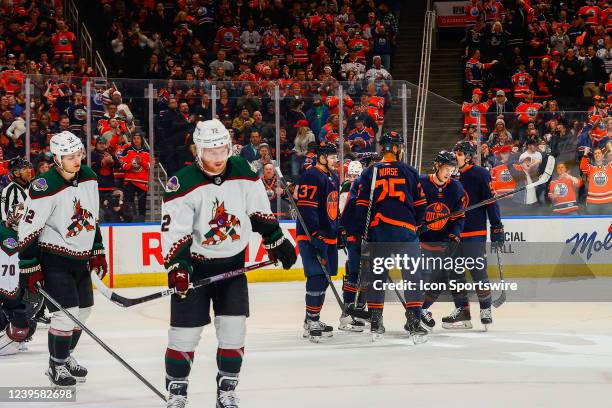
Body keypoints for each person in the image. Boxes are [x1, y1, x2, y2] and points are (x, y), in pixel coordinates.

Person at [161, 119, 296, 408]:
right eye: (211, 152)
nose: (218, 158)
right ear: (198, 151)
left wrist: (275, 238)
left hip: (232, 266)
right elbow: (176, 230)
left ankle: (227, 390)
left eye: (222, 150)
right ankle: (177, 392)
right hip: (195, 267)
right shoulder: (181, 182)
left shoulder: (243, 171)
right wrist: (179, 267)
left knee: (234, 330)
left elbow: (258, 208)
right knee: (184, 335)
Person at [18, 131, 107, 387]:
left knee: (84, 311)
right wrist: (30, 267)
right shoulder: (43, 186)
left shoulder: (89, 177)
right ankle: (55, 366)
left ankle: (65, 356)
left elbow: (92, 217)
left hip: (80, 259)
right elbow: (28, 229)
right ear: (57, 158)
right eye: (69, 156)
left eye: (78, 154)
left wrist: (97, 250)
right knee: (65, 314)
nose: (76, 160)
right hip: (54, 259)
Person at [354, 131, 428, 341]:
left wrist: (361, 231)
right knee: (413, 276)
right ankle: (413, 319)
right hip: (405, 231)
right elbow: (421, 204)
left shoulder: (371, 172)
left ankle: (376, 320)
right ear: (396, 148)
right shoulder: (409, 171)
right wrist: (419, 225)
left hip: (378, 231)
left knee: (377, 276)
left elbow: (361, 205)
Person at [445, 141, 504, 329]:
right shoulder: (449, 175)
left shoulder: (480, 173)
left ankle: (485, 309)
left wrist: (496, 226)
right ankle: (463, 312)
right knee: (454, 273)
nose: (457, 156)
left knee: (478, 271)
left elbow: (491, 201)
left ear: (469, 156)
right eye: (455, 152)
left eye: (461, 153)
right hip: (454, 234)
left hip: (474, 232)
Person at [295, 141, 340, 342]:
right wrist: (315, 233)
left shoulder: (333, 177)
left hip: (328, 235)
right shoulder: (311, 175)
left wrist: (339, 230)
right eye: (331, 156)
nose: (335, 160)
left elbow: (333, 208)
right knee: (316, 275)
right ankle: (312, 320)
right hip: (311, 235)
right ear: (321, 157)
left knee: (325, 277)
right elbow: (306, 207)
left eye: (335, 156)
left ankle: (311, 318)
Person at [419, 152, 467, 331]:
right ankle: (415, 311)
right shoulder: (421, 183)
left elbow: (459, 217)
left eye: (452, 169)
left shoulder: (455, 188)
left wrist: (454, 235)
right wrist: (417, 225)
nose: (449, 172)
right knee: (421, 279)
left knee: (440, 281)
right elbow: (411, 208)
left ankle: (421, 309)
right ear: (437, 166)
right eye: (447, 168)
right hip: (421, 242)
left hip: (442, 243)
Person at [0, 203, 38, 355]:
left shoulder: (30, 237)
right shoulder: (2, 229)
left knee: (22, 312)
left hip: (19, 284)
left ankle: (19, 335)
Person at [120, 133, 150, 221]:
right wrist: (130, 165)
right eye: (134, 138)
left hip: (142, 182)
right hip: (130, 181)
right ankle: (130, 221)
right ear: (132, 140)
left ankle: (141, 221)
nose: (136, 140)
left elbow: (149, 167)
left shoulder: (147, 151)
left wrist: (141, 161)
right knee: (129, 204)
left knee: (142, 204)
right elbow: (122, 166)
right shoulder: (127, 150)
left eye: (138, 138)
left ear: (141, 140)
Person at [579, 146, 612, 214]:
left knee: (608, 224)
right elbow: (583, 167)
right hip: (593, 203)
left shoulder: (609, 166)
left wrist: (610, 148)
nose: (597, 155)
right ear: (593, 156)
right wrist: (585, 153)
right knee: (593, 224)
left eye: (599, 153)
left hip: (608, 201)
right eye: (595, 154)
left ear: (602, 155)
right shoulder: (591, 168)